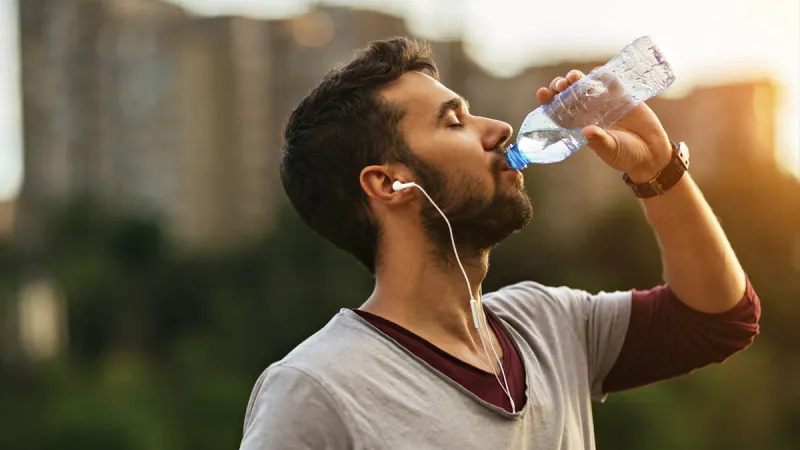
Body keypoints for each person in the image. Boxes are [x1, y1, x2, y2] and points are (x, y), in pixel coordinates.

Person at [239, 37, 760, 450]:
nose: (500, 129)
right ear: (388, 184)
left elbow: (717, 319)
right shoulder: (316, 389)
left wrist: (659, 171)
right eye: (454, 122)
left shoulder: (547, 324)